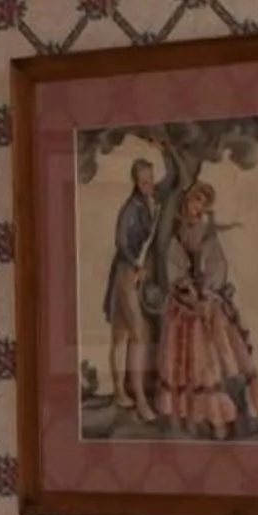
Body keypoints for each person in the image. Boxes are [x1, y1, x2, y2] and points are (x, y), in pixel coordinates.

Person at [158, 179, 258, 438]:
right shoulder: (176, 234)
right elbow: (173, 266)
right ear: (186, 201)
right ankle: (192, 417)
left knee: (221, 356)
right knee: (187, 360)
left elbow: (217, 265)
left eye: (202, 204)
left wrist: (207, 291)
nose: (196, 207)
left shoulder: (207, 233)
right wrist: (186, 289)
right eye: (194, 201)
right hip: (183, 305)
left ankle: (226, 416)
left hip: (207, 301)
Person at [101, 158, 162, 425]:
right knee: (132, 334)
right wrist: (136, 263)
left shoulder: (152, 202)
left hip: (138, 273)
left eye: (150, 179)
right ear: (136, 182)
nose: (148, 184)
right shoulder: (131, 208)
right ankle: (138, 398)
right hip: (127, 273)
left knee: (124, 332)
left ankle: (121, 392)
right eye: (143, 181)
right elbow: (121, 241)